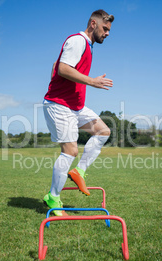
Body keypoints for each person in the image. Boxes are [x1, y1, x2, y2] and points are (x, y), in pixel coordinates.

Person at [42, 9, 115, 216]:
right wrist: (92, 81)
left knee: (103, 131)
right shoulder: (78, 41)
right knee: (70, 151)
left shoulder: (88, 47)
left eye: (109, 30)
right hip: (59, 105)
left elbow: (56, 64)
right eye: (105, 28)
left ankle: (79, 171)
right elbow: (63, 69)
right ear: (93, 24)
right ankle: (53, 197)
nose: (107, 33)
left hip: (76, 106)